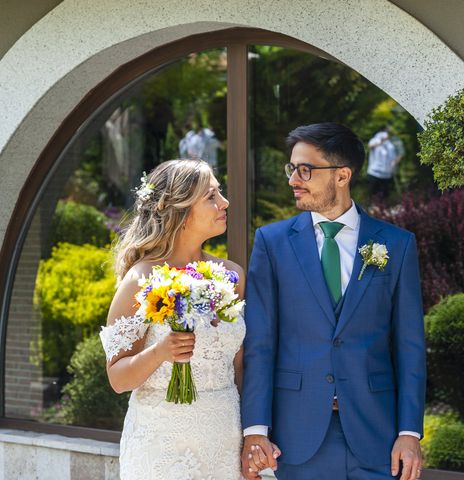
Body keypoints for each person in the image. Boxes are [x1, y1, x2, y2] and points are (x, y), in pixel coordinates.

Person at [241, 123, 426, 480]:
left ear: (342, 175)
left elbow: (409, 346)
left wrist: (409, 431)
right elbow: (260, 344)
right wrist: (256, 431)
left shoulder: (397, 244)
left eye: (305, 170)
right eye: (292, 168)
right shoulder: (272, 242)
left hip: (378, 436)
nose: (294, 179)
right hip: (296, 435)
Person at [100, 159, 248, 479]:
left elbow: (240, 367)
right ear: (179, 211)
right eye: (211, 196)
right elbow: (118, 378)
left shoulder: (233, 276)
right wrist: (161, 351)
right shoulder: (140, 279)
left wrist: (251, 438)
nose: (224, 203)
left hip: (223, 441)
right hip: (161, 448)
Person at [366, 126, 401, 199]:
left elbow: (394, 157)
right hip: (374, 173)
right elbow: (370, 146)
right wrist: (381, 142)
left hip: (386, 175)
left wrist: (394, 162)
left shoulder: (390, 145)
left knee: (384, 197)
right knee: (373, 196)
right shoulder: (375, 140)